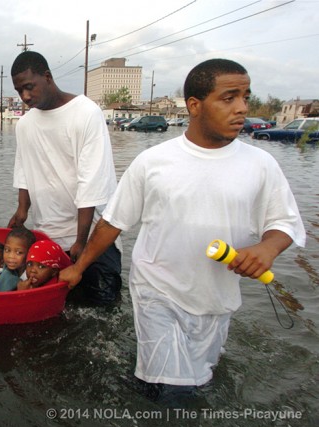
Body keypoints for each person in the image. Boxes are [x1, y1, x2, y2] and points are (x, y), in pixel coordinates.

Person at [59, 59, 306, 402]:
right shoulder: (153, 162)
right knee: (174, 395)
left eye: (245, 97)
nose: (242, 109)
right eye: (229, 98)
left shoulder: (260, 164)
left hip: (216, 299)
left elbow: (284, 223)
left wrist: (267, 249)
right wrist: (79, 267)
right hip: (157, 294)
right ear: (194, 105)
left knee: (201, 379)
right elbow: (113, 222)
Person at [7, 51, 122, 305]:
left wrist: (80, 241)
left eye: (29, 87)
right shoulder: (25, 125)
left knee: (101, 311)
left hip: (91, 237)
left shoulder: (85, 113)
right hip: (48, 236)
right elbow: (24, 169)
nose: (24, 96)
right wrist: (22, 211)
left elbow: (91, 181)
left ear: (47, 77)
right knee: (57, 310)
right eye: (19, 91)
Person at [0, 227, 35, 292]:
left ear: (29, 253)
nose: (11, 256)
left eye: (19, 252)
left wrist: (20, 290)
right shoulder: (4, 264)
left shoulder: (29, 276)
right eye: (7, 250)